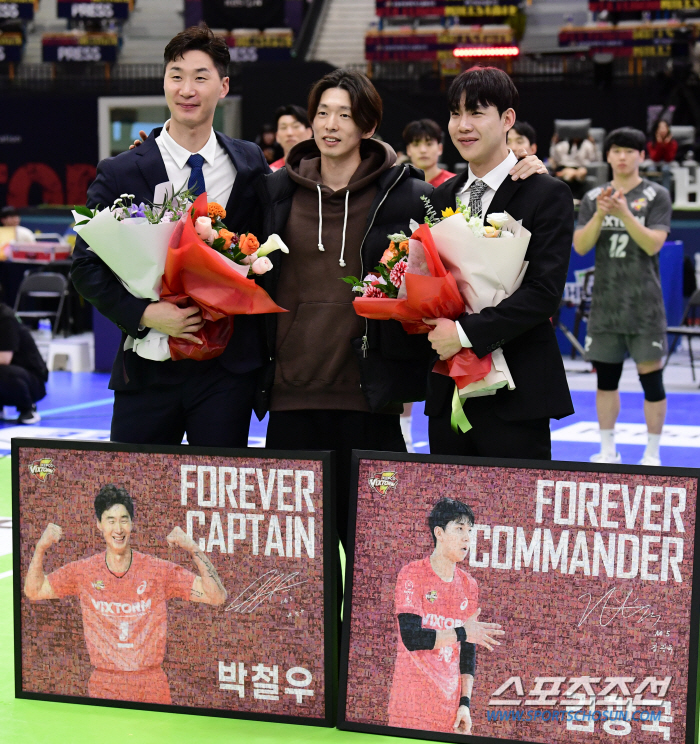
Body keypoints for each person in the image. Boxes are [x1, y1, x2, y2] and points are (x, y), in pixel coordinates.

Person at [255, 69, 433, 554]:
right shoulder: (274, 192)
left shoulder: (406, 195)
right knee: (299, 571)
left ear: (367, 126)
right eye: (322, 113)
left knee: (375, 561)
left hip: (368, 401)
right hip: (292, 401)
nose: (330, 124)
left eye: (345, 115)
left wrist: (528, 169)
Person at [71, 26, 270, 447]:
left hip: (224, 373)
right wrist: (145, 314)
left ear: (223, 85)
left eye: (201, 77)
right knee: (136, 498)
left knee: (213, 501)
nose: (187, 89)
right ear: (164, 82)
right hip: (147, 368)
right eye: (176, 75)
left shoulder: (250, 162)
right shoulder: (121, 171)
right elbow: (86, 268)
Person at [424, 66, 574, 460]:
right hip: (450, 388)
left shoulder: (546, 193)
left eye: (476, 112)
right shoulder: (440, 198)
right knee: (445, 512)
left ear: (507, 119)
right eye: (455, 113)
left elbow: (543, 294)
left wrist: (464, 332)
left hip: (517, 392)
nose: (463, 125)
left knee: (512, 516)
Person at [24, 484, 227, 705]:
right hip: (105, 684)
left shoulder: (158, 571)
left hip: (151, 686)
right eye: (110, 520)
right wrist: (40, 548)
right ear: (99, 525)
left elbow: (216, 596)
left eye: (123, 519)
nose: (118, 528)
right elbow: (33, 591)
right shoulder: (83, 572)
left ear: (132, 524)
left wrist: (192, 547)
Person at [573, 127, 672, 466]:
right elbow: (581, 246)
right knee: (607, 380)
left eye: (630, 150)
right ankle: (607, 449)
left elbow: (653, 244)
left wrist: (625, 213)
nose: (622, 156)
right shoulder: (593, 197)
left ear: (642, 156)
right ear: (608, 155)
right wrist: (602, 212)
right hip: (606, 306)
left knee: (652, 381)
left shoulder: (656, 195)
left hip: (644, 305)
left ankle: (653, 453)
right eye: (616, 150)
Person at [387, 498, 504, 735]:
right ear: (439, 533)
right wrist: (462, 632)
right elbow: (412, 638)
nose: (466, 538)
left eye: (469, 531)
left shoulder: (469, 585)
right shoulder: (412, 574)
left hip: (449, 713)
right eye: (459, 529)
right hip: (410, 709)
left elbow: (467, 653)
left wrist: (465, 704)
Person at [0, 302, 48, 423]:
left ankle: (28, 409)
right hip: (13, 374)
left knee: (2, 371)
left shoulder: (5, 318)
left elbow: (4, 359)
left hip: (31, 380)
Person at [402, 118, 455, 187]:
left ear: (440, 148)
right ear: (408, 150)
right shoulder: (400, 185)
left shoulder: (454, 184)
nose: (423, 150)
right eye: (416, 145)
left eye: (429, 144)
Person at [549, 130, 598, 199]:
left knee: (582, 172)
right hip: (565, 167)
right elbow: (556, 158)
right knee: (570, 173)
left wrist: (593, 144)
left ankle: (575, 177)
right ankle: (572, 176)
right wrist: (554, 143)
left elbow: (594, 159)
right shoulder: (562, 144)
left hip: (579, 168)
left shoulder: (587, 145)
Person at [270, 104, 313, 171]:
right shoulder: (271, 172)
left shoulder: (322, 169)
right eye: (283, 128)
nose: (289, 133)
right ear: (277, 136)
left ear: (309, 132)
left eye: (295, 126)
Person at [645, 119, 677, 193]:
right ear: (656, 130)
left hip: (668, 164)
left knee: (666, 169)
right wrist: (659, 144)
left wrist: (666, 144)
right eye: (660, 127)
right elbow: (654, 158)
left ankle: (666, 194)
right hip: (654, 163)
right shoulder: (651, 143)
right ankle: (653, 194)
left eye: (664, 127)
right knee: (651, 169)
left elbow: (669, 158)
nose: (662, 130)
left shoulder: (673, 143)